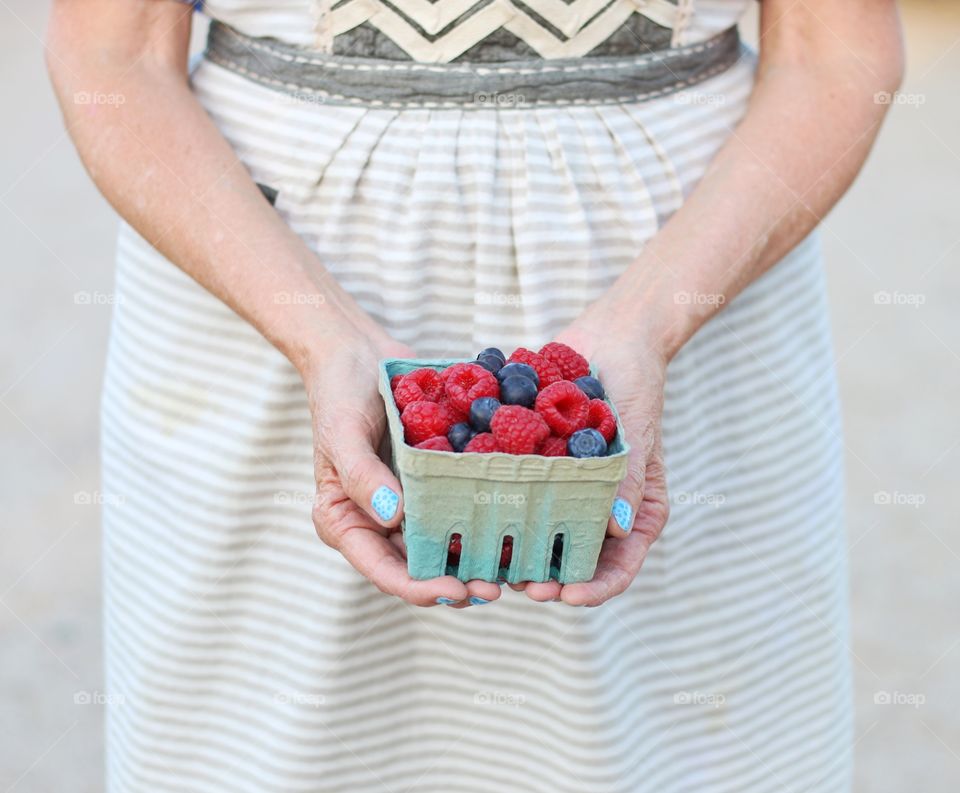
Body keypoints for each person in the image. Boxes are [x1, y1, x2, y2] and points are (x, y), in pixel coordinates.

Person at [48, 0, 903, 790]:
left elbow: (838, 55)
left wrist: (653, 322)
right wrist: (317, 330)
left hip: (700, 295)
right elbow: (111, 55)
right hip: (254, 290)